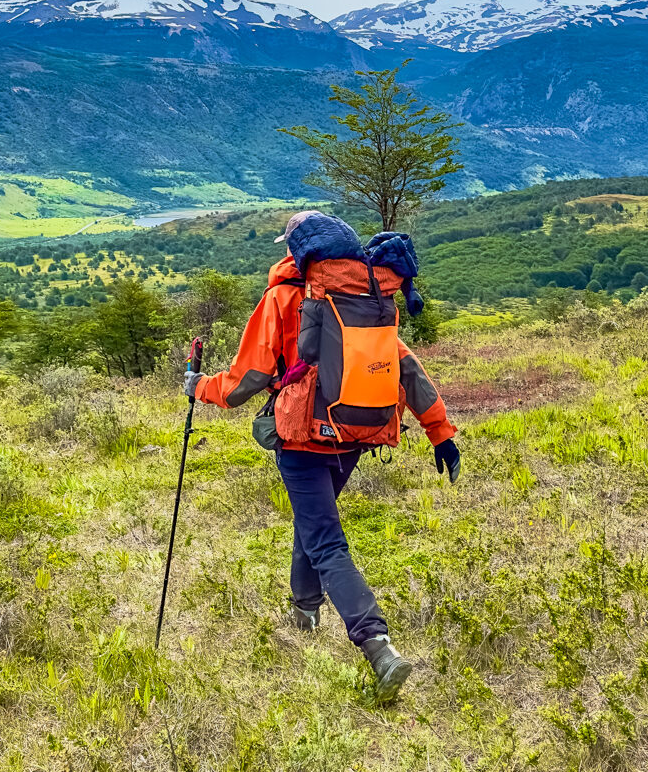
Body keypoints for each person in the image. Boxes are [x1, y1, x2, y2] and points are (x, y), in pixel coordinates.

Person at [183, 210, 461, 701]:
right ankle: (304, 613)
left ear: (298, 251)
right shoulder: (362, 295)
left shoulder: (285, 296)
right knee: (312, 526)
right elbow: (406, 368)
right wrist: (439, 431)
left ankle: (377, 646)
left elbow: (246, 380)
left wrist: (199, 387)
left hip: (300, 439)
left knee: (326, 540)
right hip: (353, 434)